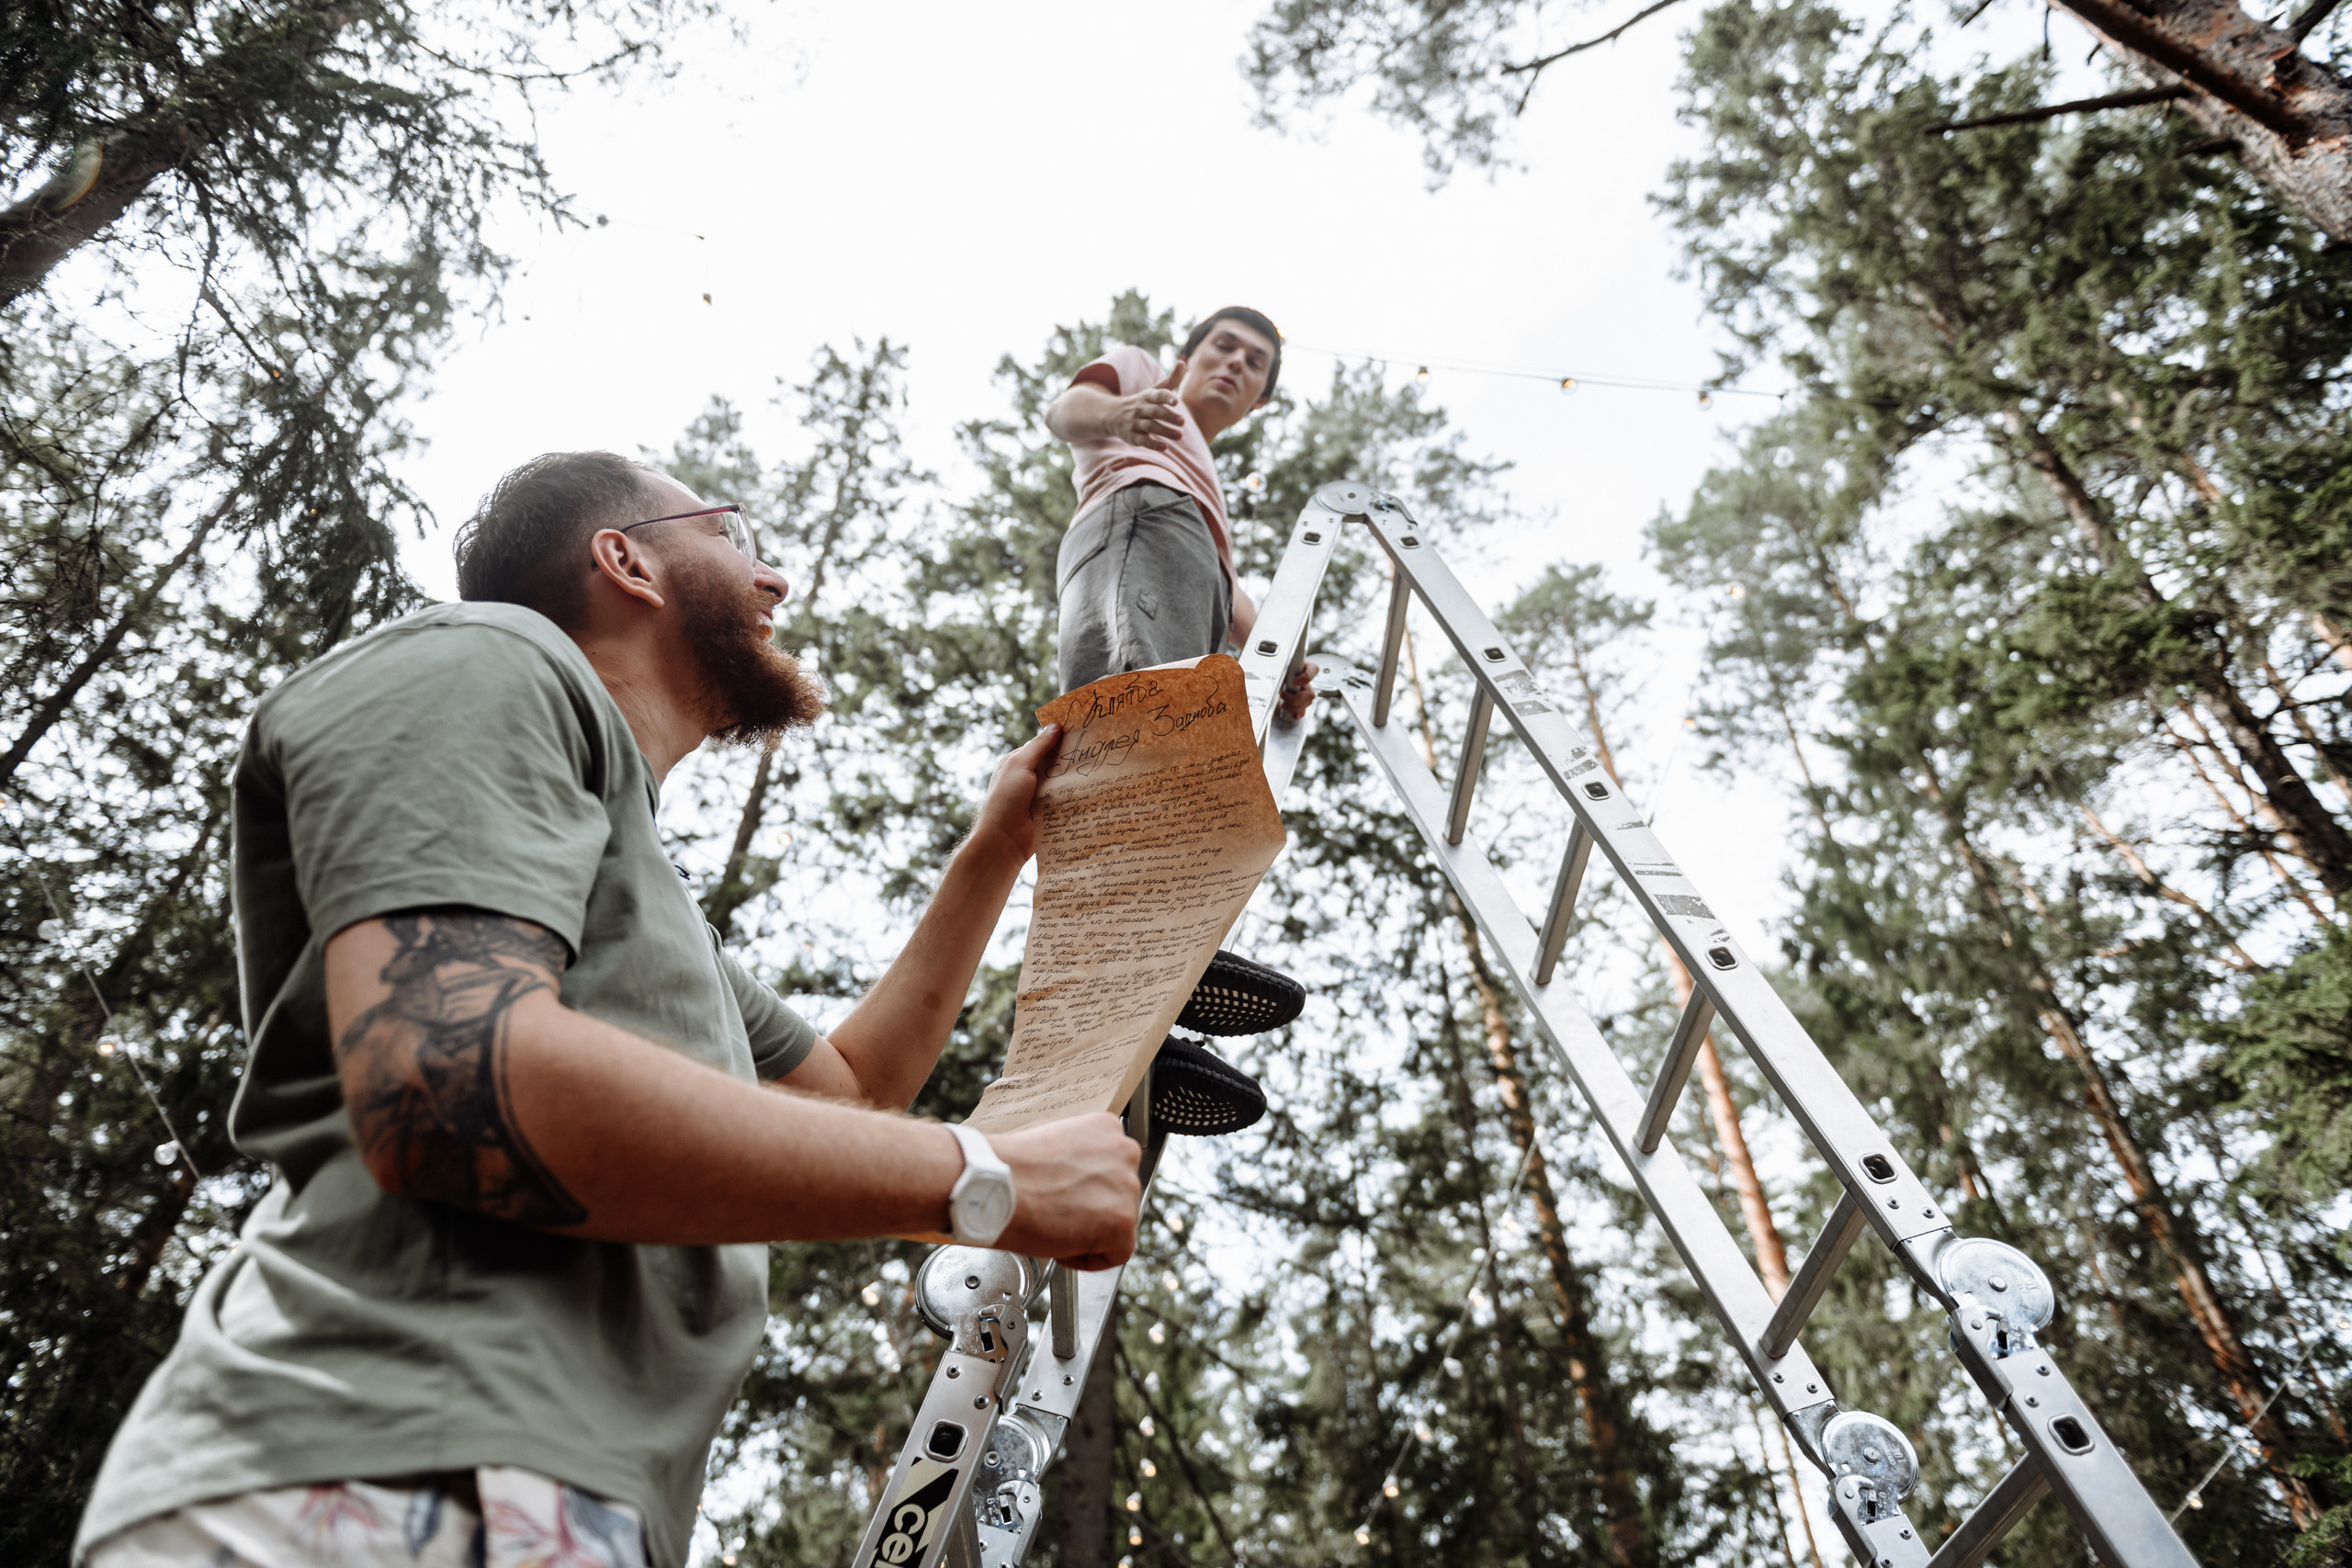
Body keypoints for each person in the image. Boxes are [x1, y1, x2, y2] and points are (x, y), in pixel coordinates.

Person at [72, 452, 1145, 1568]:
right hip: (373, 1470)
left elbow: (859, 1091)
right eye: (734, 534)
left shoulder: (648, 903)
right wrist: (986, 1182)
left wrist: (992, 855)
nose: (774, 580)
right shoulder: (487, 658)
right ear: (625, 559)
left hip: (541, 1499)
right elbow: (452, 1083)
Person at [1045, 306, 1314, 717]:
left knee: (1175, 738)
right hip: (1144, 518)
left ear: (1260, 398)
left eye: (1255, 362)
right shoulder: (1145, 373)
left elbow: (1229, 591)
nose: (1237, 361)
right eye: (1225, 346)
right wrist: (1116, 414)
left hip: (1204, 589)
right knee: (1131, 707)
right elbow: (1062, 411)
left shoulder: (1205, 482)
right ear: (1185, 358)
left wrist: (1285, 666)